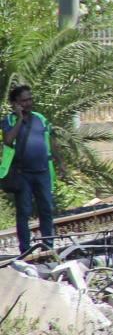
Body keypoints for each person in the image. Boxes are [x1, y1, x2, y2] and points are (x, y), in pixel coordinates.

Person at [1, 86, 60, 254]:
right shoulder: (9, 121)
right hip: (22, 174)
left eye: (30, 99)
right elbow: (8, 139)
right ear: (16, 104)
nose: (28, 103)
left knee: (47, 210)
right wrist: (19, 119)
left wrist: (60, 161)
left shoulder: (40, 118)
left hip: (42, 172)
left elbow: (50, 140)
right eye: (24, 101)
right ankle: (26, 250)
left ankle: (48, 247)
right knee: (24, 213)